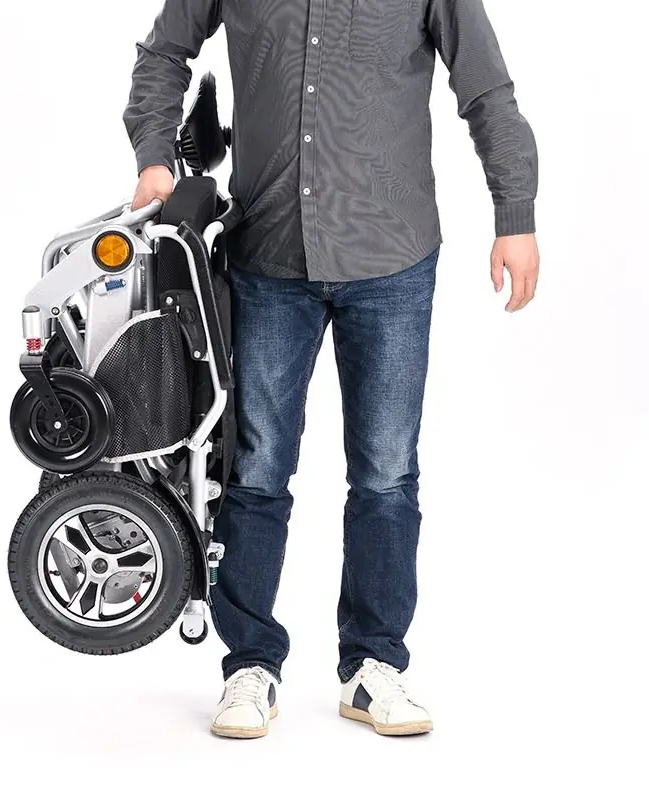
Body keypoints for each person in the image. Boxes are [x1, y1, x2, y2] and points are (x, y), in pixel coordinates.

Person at [124, 0, 539, 739]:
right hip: (267, 254)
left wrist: (516, 215)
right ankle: (250, 664)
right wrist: (155, 156)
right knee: (255, 467)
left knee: (386, 471)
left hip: (392, 255)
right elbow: (163, 53)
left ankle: (373, 667)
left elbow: (486, 90)